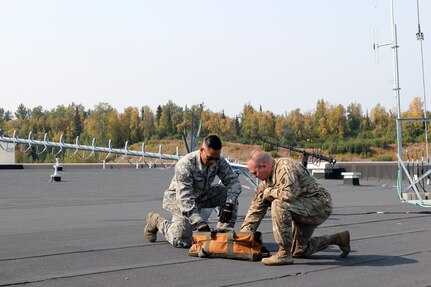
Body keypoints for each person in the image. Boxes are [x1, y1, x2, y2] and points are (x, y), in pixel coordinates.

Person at [240, 149, 350, 266]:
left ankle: (283, 254)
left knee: (278, 204)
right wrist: (244, 235)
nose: (253, 176)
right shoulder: (266, 182)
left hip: (319, 206)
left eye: (254, 173)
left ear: (263, 166)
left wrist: (269, 192)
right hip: (301, 208)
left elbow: (289, 195)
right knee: (298, 250)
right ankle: (338, 239)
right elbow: (256, 208)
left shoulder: (285, 168)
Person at [144, 135, 242, 248]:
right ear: (201, 151)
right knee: (182, 239)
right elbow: (184, 198)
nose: (213, 162)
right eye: (210, 158)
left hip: (202, 195)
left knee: (229, 195)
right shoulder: (185, 165)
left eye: (216, 158)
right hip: (178, 200)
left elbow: (234, 183)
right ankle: (157, 221)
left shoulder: (217, 160)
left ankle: (223, 236)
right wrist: (198, 222)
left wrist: (228, 204)